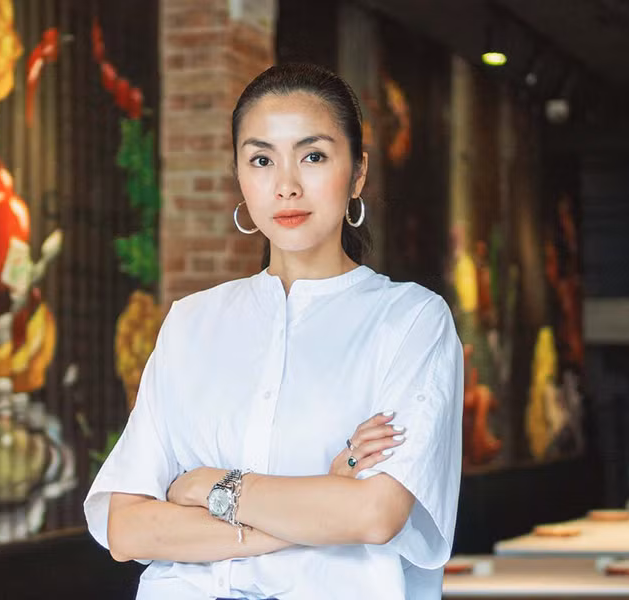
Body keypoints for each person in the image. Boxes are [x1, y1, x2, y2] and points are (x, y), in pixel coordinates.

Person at [85, 63, 464, 599]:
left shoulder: (411, 321)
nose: (286, 186)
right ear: (239, 175)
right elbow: (127, 529)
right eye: (262, 160)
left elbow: (375, 514)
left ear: (357, 173)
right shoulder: (191, 322)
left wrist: (208, 487)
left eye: (313, 156)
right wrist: (319, 505)